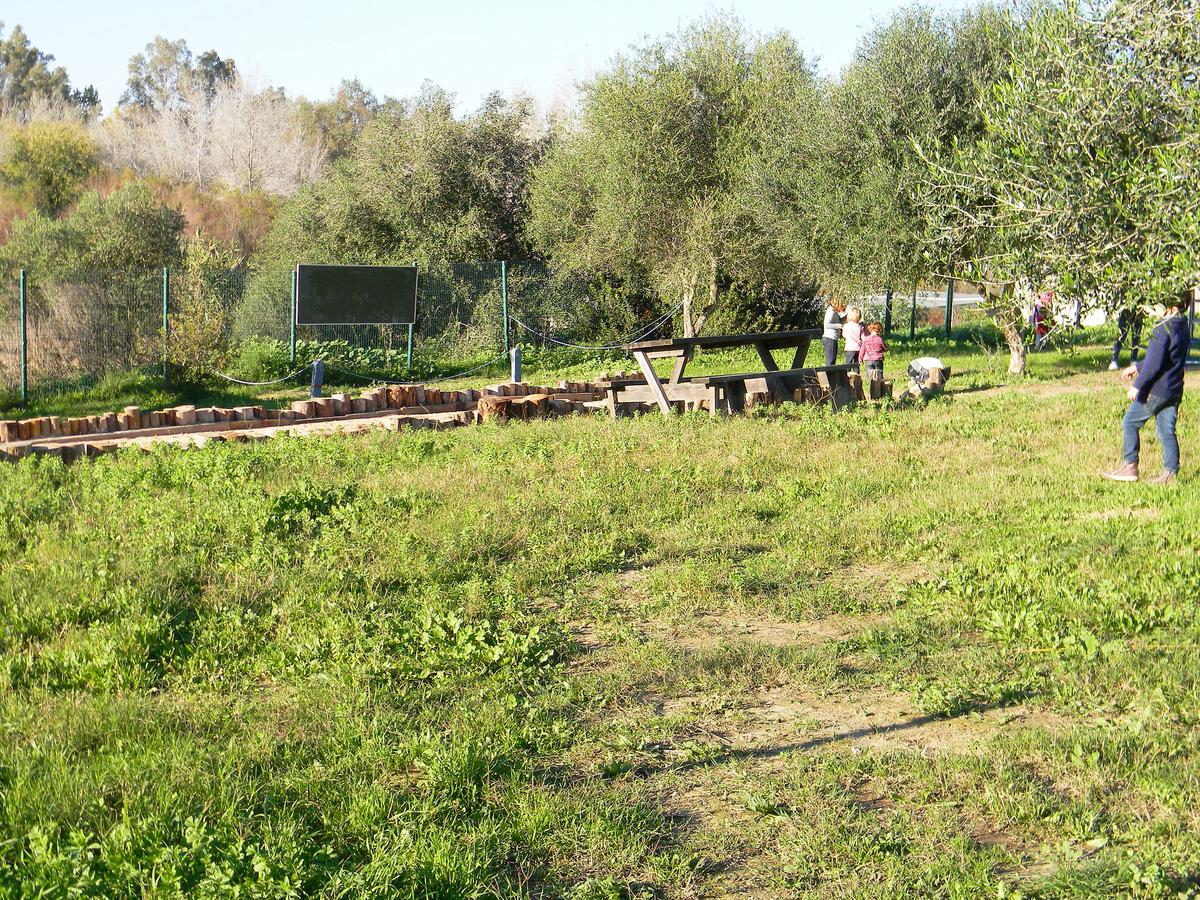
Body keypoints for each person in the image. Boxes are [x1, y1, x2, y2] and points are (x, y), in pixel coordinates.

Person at [1102, 291, 1190, 485]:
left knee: (1130, 422)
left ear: (1170, 306)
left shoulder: (1162, 329)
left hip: (1156, 391)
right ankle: (1170, 473)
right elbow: (1166, 358)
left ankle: (1130, 465)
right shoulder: (1182, 325)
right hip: (1174, 389)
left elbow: (1154, 363)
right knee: (1166, 430)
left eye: (1158, 304)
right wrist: (1137, 367)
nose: (1154, 309)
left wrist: (1137, 386)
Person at [1109, 306, 1144, 371]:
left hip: (1137, 311)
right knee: (1121, 335)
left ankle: (1134, 360)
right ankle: (1114, 361)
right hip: (1125, 311)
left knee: (1136, 336)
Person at [822, 299, 845, 366]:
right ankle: (828, 372)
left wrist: (847, 317)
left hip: (832, 339)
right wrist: (840, 326)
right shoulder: (831, 311)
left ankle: (829, 372)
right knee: (830, 361)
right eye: (842, 305)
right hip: (830, 338)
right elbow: (827, 325)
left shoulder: (834, 311)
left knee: (832, 361)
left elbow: (839, 320)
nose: (843, 308)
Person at [842, 306, 863, 372]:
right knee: (856, 364)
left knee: (848, 363)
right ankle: (857, 375)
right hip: (858, 348)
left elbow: (844, 335)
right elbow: (862, 336)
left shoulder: (846, 325)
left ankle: (846, 374)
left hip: (850, 348)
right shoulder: (859, 326)